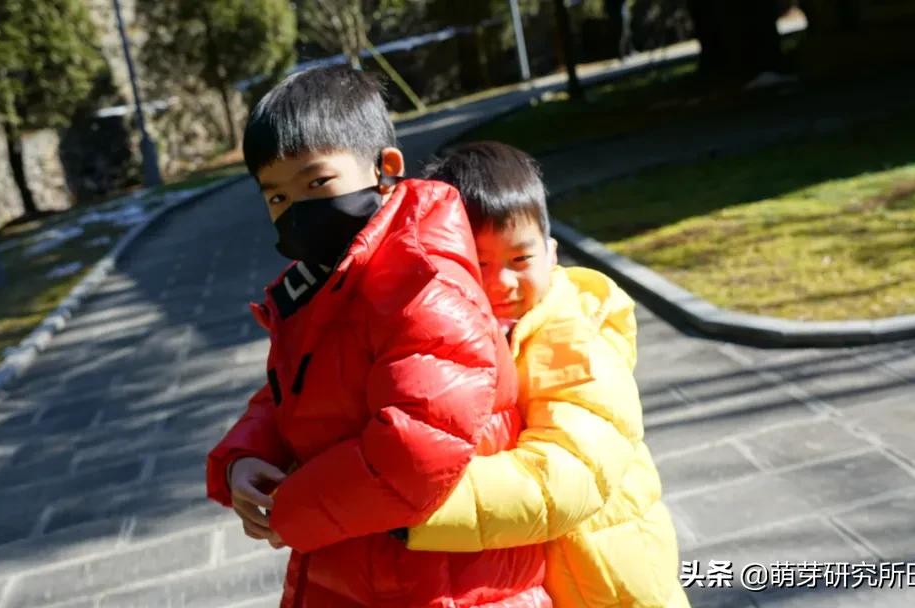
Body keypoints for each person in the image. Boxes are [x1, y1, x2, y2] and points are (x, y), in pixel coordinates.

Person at [204, 67, 550, 607]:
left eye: (317, 183)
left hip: (446, 584)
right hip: (356, 569)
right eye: (277, 199)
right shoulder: (321, 284)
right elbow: (295, 390)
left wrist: (290, 512)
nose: (298, 211)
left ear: (385, 168)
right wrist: (242, 458)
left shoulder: (423, 280)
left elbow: (415, 451)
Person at [412, 141, 690, 608]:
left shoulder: (573, 339)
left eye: (520, 260)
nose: (501, 282)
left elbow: (566, 475)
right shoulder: (477, 333)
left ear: (552, 252)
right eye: (478, 265)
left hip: (614, 585)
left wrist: (419, 509)